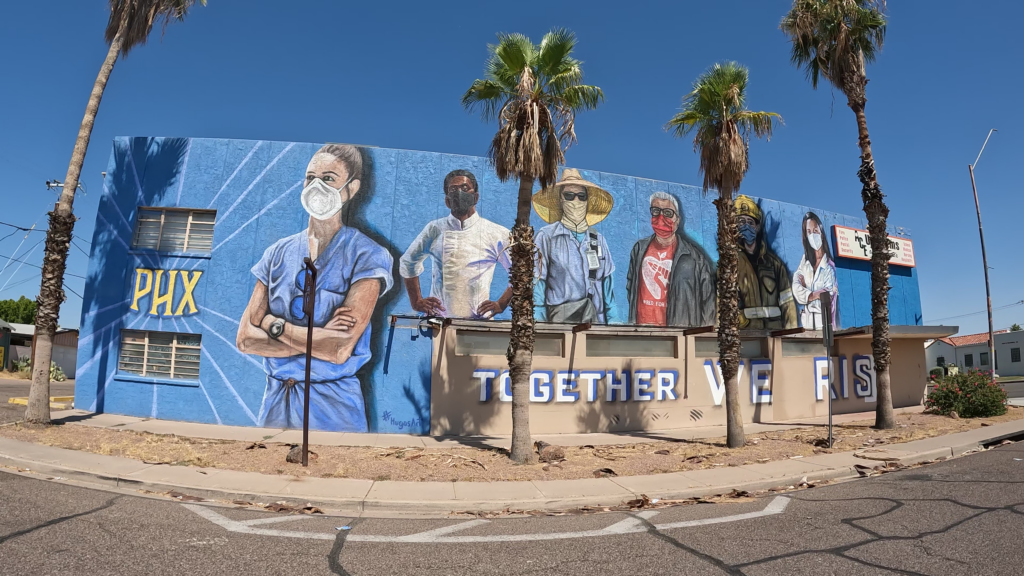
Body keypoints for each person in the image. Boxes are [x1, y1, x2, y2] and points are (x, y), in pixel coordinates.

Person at [236, 144, 393, 433]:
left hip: (333, 407)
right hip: (275, 402)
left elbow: (338, 348)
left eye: (329, 178)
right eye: (311, 178)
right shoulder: (276, 253)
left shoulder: (367, 255)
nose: (316, 186)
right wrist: (315, 341)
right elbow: (245, 339)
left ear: (351, 188)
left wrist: (273, 324)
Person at [399, 170, 512, 319]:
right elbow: (408, 262)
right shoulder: (435, 229)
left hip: (479, 322)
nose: (459, 193)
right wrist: (416, 302)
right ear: (447, 200)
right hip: (439, 322)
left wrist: (501, 304)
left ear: (476, 197)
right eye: (453, 190)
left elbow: (523, 273)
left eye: (465, 188)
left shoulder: (497, 232)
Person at [532, 168, 617, 324]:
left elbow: (608, 288)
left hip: (594, 323)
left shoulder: (598, 239)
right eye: (569, 196)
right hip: (559, 322)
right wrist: (541, 326)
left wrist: (614, 325)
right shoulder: (546, 236)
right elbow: (538, 283)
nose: (576, 201)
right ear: (561, 200)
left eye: (581, 196)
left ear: (587, 201)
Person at [626, 192, 715, 327]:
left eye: (668, 213)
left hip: (679, 333)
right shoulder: (639, 249)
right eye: (656, 211)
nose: (661, 217)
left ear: (677, 220)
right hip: (641, 331)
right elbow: (631, 285)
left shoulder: (695, 258)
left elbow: (708, 300)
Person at [734, 195, 797, 330]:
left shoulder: (774, 264)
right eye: (741, 222)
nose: (746, 226)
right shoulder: (730, 264)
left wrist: (791, 335)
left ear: (757, 227)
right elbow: (721, 304)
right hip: (746, 335)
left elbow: (788, 304)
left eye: (750, 222)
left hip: (775, 334)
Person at [792, 212, 839, 329]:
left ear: (822, 234)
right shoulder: (805, 261)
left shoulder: (830, 266)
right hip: (806, 324)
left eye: (815, 231)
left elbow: (827, 295)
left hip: (823, 326)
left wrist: (807, 291)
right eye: (809, 232)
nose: (812, 235)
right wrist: (813, 294)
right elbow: (795, 286)